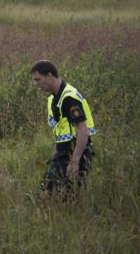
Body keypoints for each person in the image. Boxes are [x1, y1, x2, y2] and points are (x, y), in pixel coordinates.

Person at [30, 60, 97, 197]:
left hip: (75, 153)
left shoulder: (69, 98)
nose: (35, 84)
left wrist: (75, 162)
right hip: (61, 155)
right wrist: (55, 154)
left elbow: (83, 131)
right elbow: (60, 130)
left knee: (63, 197)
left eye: (38, 80)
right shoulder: (54, 98)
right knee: (47, 195)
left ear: (49, 76)